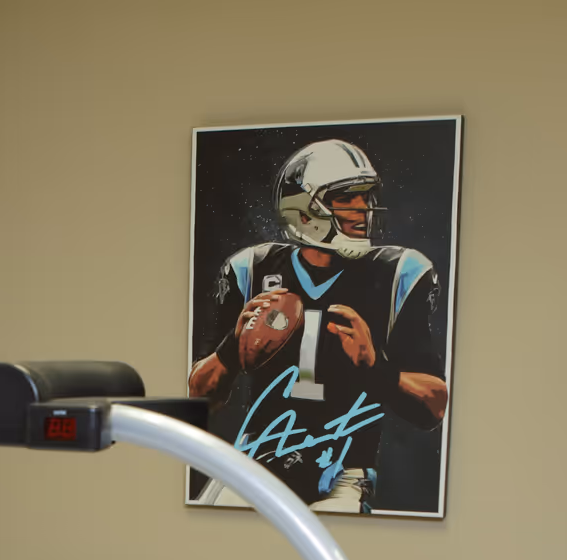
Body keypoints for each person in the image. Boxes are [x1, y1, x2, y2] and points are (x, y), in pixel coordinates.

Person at [189, 139, 448, 513]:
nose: (364, 209)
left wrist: (378, 369)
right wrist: (232, 349)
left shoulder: (397, 275)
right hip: (259, 457)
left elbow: (434, 407)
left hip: (342, 470)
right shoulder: (251, 269)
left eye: (366, 196)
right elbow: (200, 396)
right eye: (347, 197)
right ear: (305, 209)